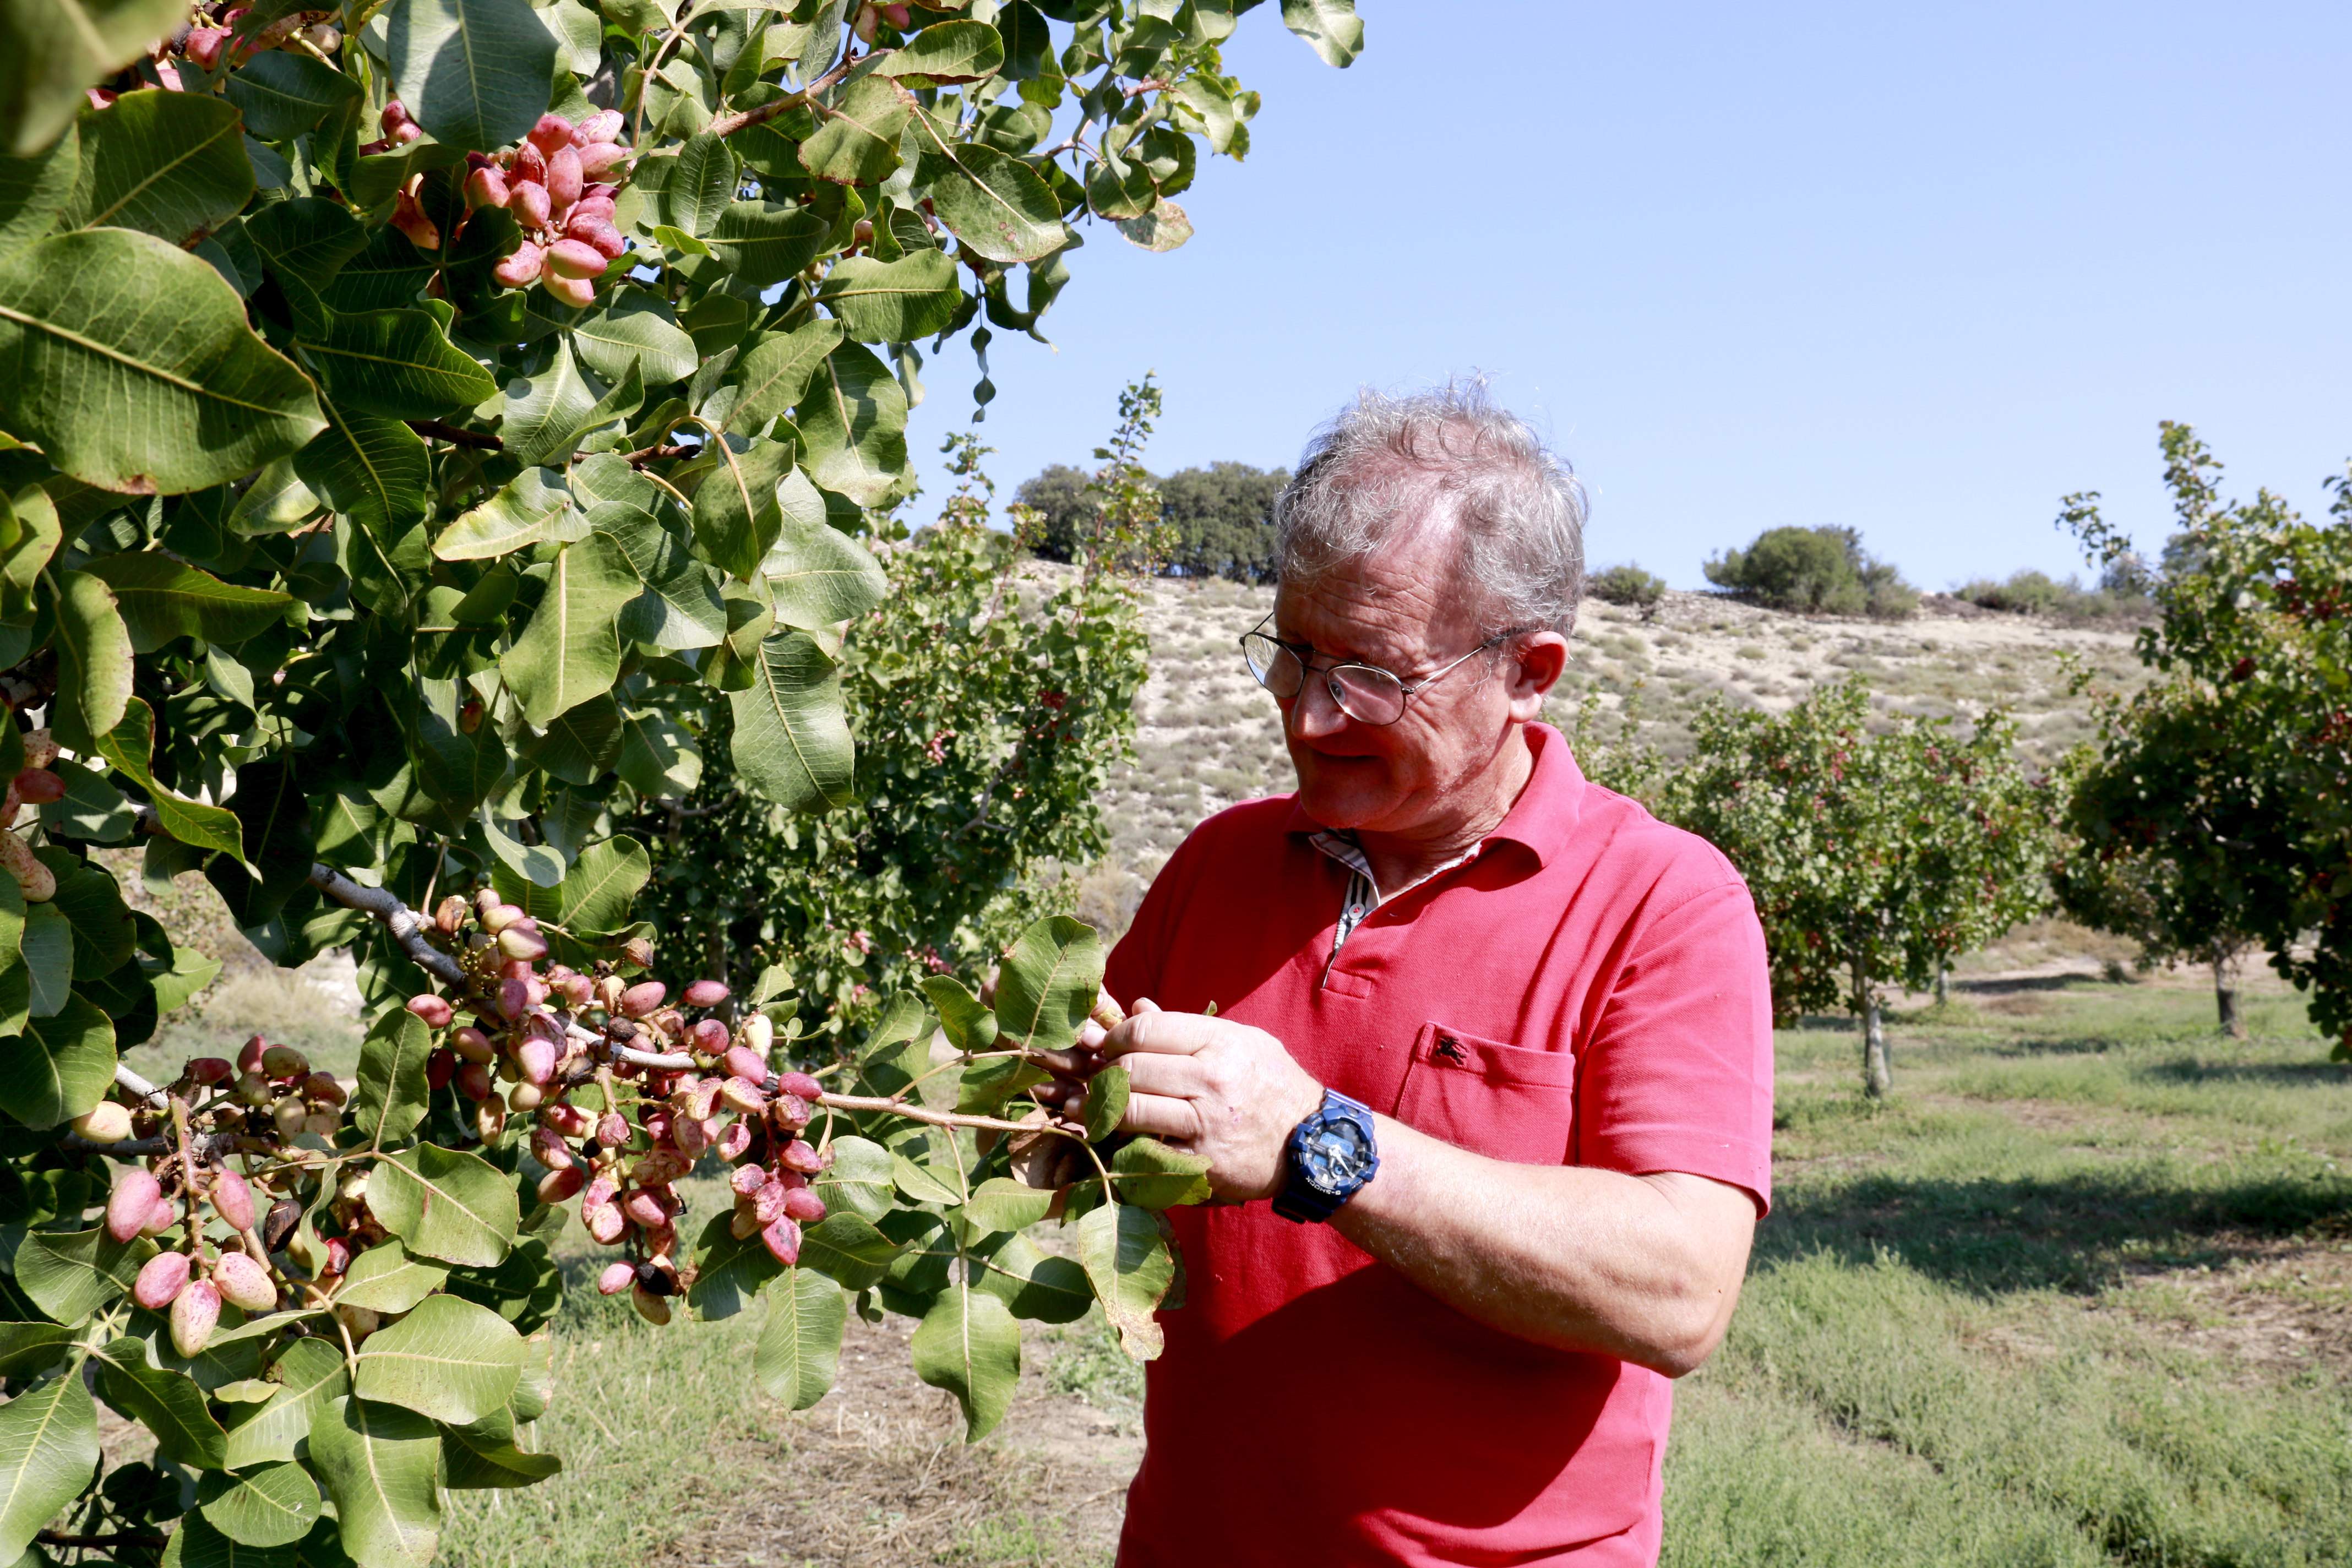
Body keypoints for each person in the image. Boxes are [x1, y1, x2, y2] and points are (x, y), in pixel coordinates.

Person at [1094, 382, 1774, 1567]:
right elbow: (1080, 1124)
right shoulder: (1218, 861)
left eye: (1370, 673)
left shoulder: (1664, 900)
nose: (1309, 715)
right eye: (1294, 654)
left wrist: (1316, 1140)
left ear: (1530, 668)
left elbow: (1679, 1288)